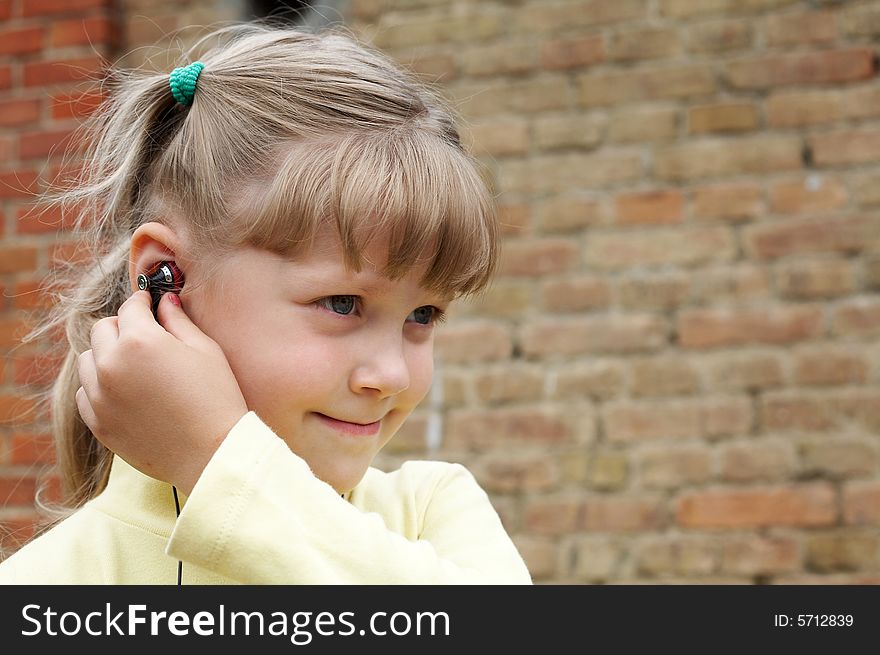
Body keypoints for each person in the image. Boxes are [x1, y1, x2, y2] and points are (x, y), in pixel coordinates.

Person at [0, 22, 532, 584]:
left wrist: (219, 464)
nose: (392, 374)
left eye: (423, 315)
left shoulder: (433, 515)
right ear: (165, 278)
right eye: (342, 303)